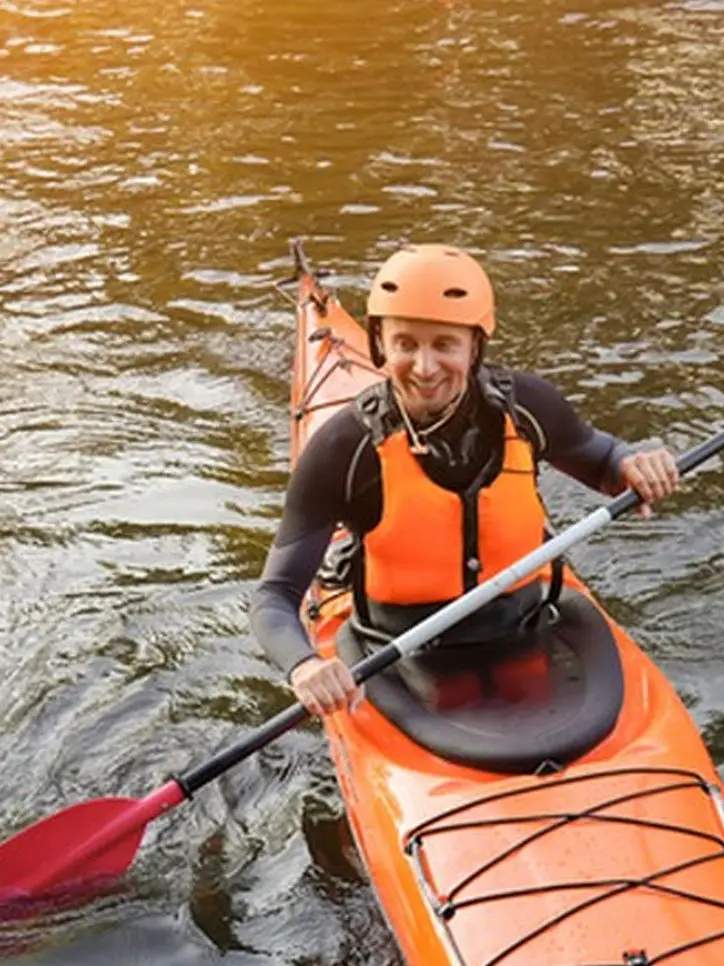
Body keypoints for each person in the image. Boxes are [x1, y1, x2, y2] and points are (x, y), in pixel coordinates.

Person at [252, 243, 679, 718]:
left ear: (475, 345)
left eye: (444, 344)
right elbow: (275, 596)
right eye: (405, 344)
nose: (425, 367)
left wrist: (633, 464)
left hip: (529, 628)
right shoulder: (342, 449)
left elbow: (603, 461)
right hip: (402, 658)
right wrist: (305, 666)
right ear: (379, 345)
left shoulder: (528, 407)